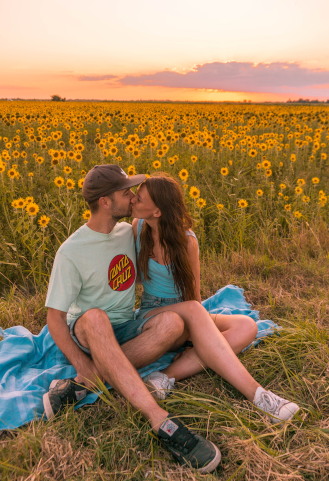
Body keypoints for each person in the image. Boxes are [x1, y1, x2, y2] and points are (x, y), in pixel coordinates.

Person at [43, 164, 221, 474]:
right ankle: (160, 420)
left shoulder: (131, 230)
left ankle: (90, 382)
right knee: (96, 317)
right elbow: (54, 318)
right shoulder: (71, 251)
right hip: (88, 330)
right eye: (126, 192)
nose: (133, 196)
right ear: (106, 202)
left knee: (173, 324)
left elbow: (165, 230)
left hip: (127, 326)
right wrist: (82, 363)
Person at [130, 172, 300, 423]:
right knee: (197, 315)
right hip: (153, 314)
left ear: (157, 211)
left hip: (187, 312)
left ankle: (165, 375)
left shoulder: (187, 242)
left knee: (247, 326)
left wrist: (196, 334)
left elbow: (194, 294)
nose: (132, 200)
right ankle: (260, 396)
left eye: (139, 198)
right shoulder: (137, 228)